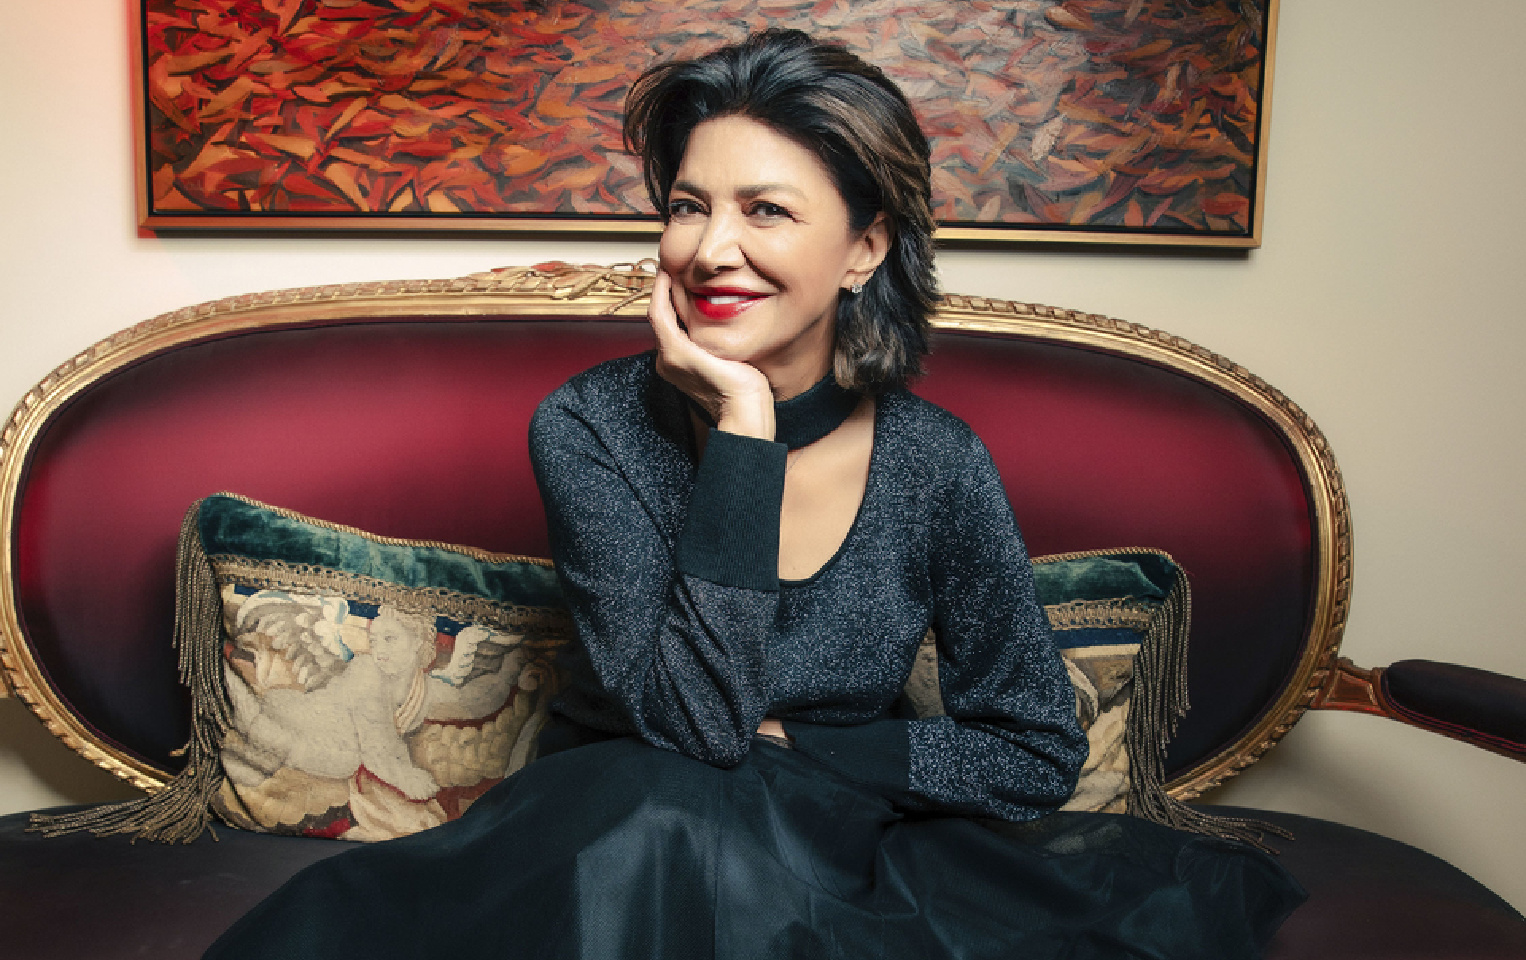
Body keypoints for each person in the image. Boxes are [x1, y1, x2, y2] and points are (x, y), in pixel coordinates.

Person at [204, 28, 1304, 959]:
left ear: (864, 245)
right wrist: (743, 425)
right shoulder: (589, 427)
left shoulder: (934, 464)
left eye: (765, 212)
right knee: (672, 824)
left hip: (843, 841)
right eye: (689, 206)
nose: (711, 249)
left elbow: (1029, 750)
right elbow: (693, 724)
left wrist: (815, 748)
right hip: (617, 827)